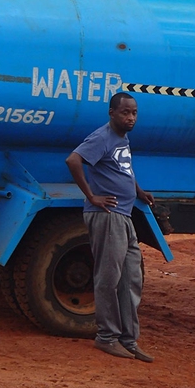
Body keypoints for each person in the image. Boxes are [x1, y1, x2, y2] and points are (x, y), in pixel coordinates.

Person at [65, 92, 154, 362]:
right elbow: (73, 160)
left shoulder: (122, 138)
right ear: (112, 113)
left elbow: (123, 169)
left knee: (130, 279)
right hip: (108, 215)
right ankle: (106, 338)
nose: (130, 118)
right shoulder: (102, 137)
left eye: (134, 113)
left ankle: (128, 340)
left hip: (124, 215)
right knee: (109, 278)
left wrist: (137, 190)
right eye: (125, 112)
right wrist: (91, 195)